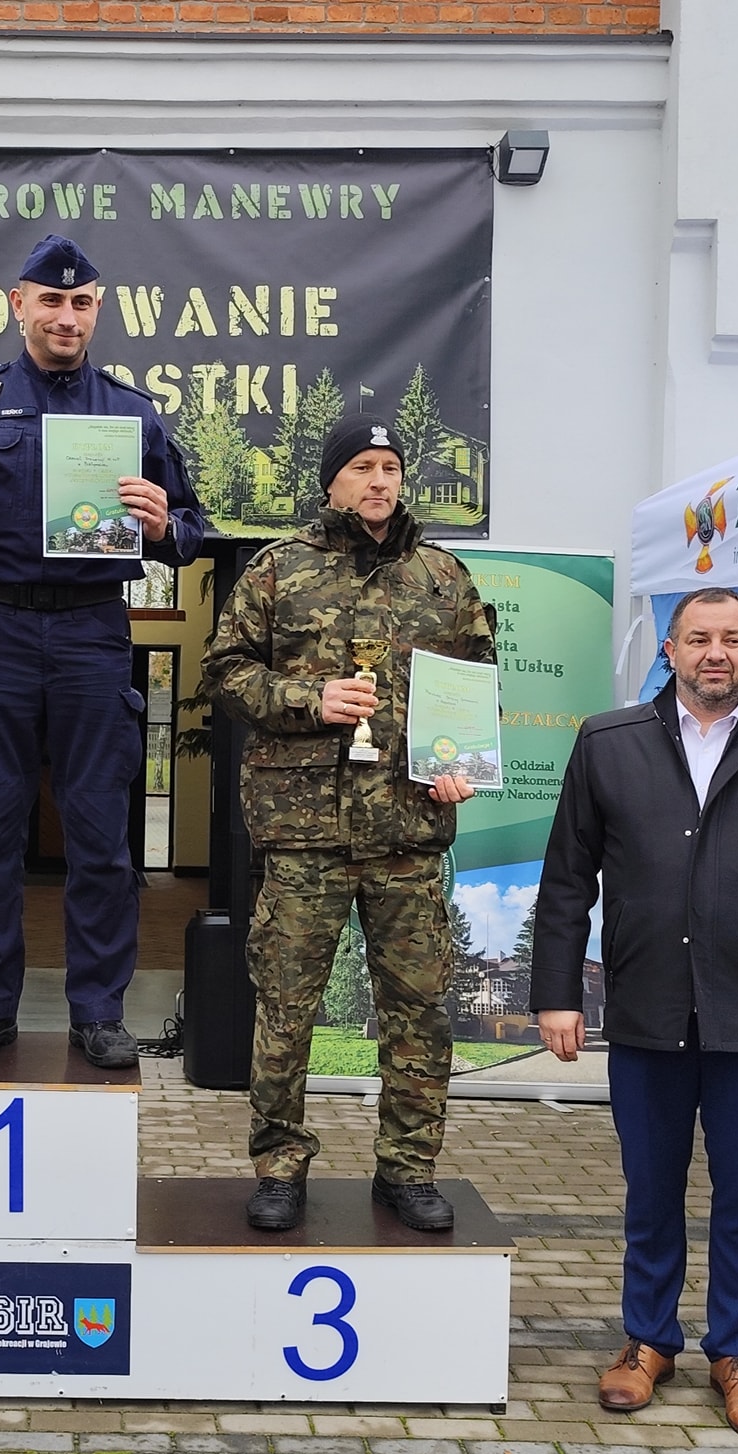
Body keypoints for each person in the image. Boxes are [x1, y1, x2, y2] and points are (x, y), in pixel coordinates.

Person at [530, 587, 738, 1443]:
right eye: (698, 638)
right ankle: (648, 1341)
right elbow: (567, 880)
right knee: (651, 1190)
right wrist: (557, 993)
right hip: (648, 1007)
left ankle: (737, 1356)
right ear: (671, 651)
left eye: (732, 639)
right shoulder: (607, 742)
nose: (715, 653)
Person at [0, 233, 208, 1068]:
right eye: (50, 300)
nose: (65, 316)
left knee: (101, 838)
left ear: (97, 309)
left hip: (92, 633)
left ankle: (98, 1011)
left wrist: (161, 525)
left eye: (80, 302)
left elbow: (192, 528)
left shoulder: (132, 414)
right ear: (19, 305)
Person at [202, 419, 495, 1233]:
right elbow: (225, 671)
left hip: (408, 831)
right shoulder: (278, 568)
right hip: (306, 834)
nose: (379, 481)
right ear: (333, 480)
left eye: (391, 467)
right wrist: (309, 699)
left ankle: (407, 1169)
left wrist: (464, 762)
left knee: (418, 1012)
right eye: (363, 467)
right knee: (286, 1009)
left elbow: (476, 680)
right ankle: (279, 1166)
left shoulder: (442, 576)